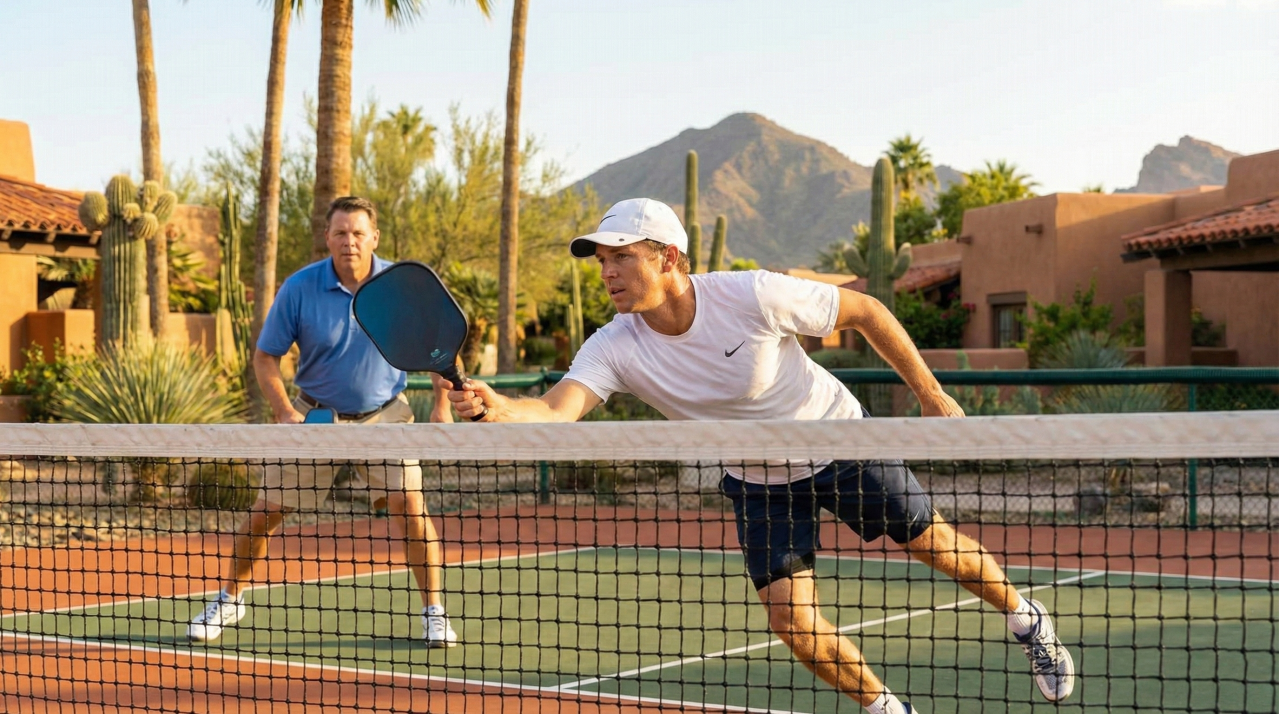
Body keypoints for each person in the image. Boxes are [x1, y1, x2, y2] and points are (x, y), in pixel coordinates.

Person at [446, 198, 1074, 713]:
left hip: (835, 440)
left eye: (621, 258)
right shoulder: (613, 344)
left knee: (933, 546)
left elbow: (865, 310)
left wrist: (931, 394)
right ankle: (888, 710)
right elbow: (557, 410)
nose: (607, 273)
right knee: (794, 625)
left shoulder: (751, 295)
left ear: (668, 259)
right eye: (602, 262)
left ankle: (1025, 619)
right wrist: (497, 405)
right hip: (757, 479)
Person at [187, 196, 459, 648]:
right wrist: (284, 413)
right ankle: (229, 599)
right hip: (315, 417)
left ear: (374, 237)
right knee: (265, 515)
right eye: (340, 233)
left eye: (357, 233)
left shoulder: (403, 285)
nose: (349, 241)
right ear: (327, 238)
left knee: (411, 507)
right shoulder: (299, 287)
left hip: (386, 416)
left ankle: (434, 611)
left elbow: (440, 347)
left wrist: (443, 407)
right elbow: (265, 358)